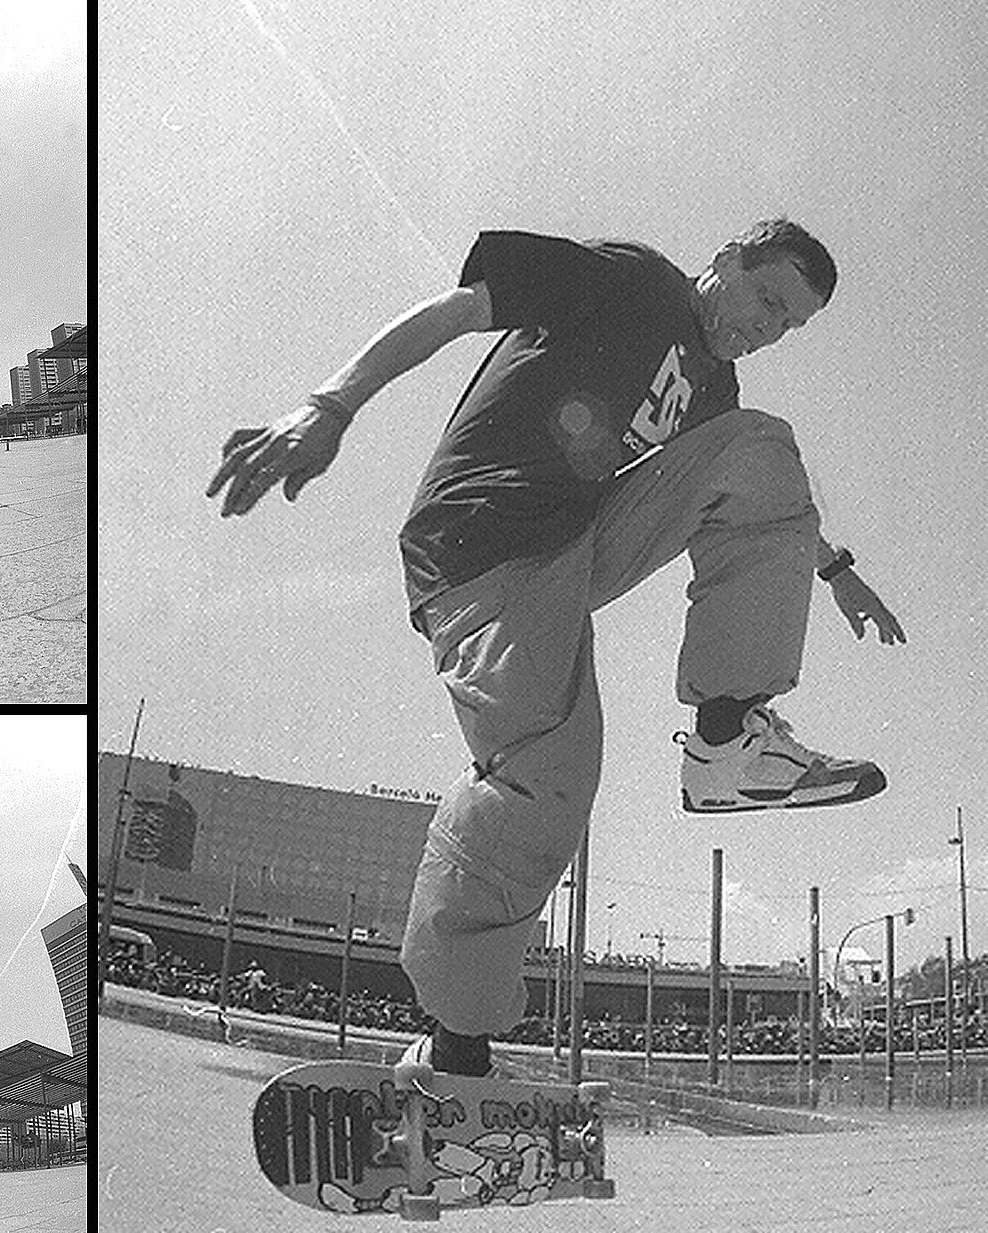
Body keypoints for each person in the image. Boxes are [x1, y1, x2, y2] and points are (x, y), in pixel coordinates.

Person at [210, 221, 906, 1077]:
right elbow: (457, 311)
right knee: (555, 770)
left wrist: (835, 571)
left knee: (759, 444)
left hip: (578, 544)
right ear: (726, 258)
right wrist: (329, 406)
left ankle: (726, 739)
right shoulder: (631, 281)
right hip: (481, 546)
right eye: (766, 299)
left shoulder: (714, 390)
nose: (766, 329)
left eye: (787, 325)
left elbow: (738, 486)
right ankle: (454, 1046)